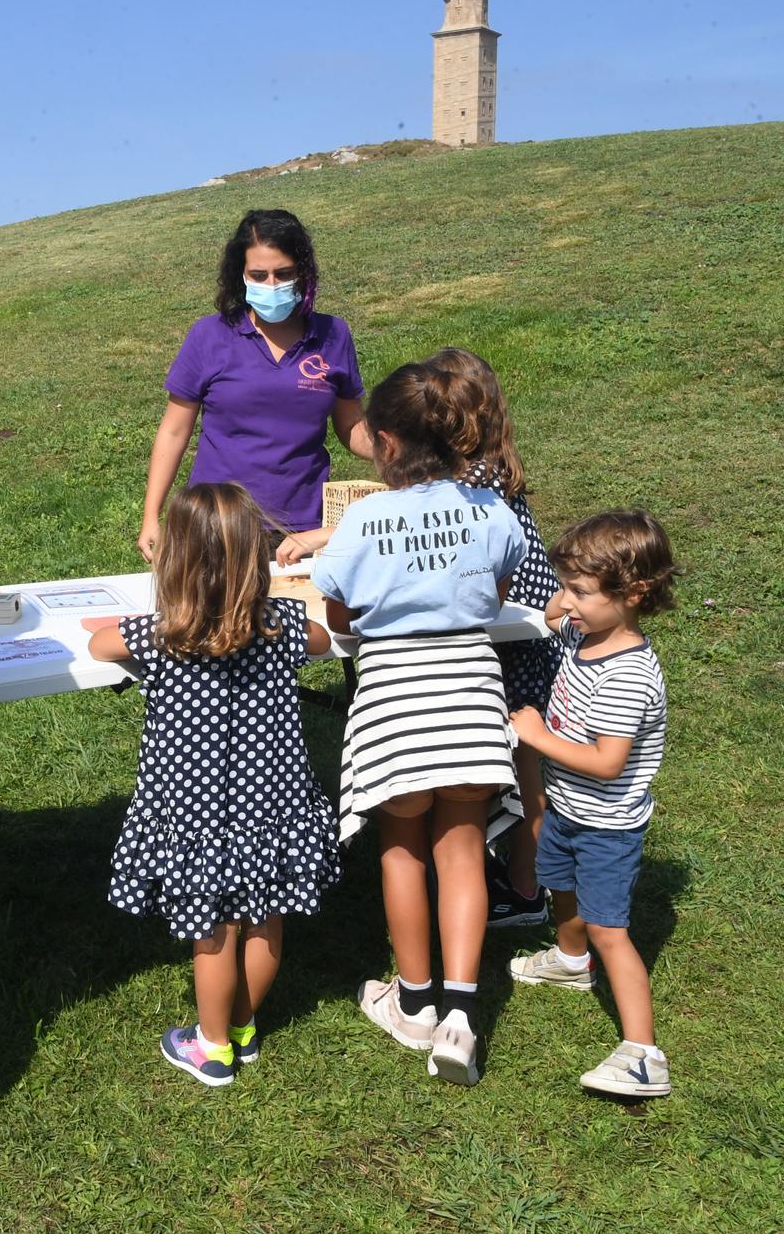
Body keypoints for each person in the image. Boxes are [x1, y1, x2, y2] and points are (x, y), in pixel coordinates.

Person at [309, 360, 528, 1088]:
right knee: (461, 848)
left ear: (388, 444)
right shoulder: (489, 508)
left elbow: (337, 612)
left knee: (402, 848)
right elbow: (496, 594)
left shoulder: (364, 517)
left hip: (395, 704)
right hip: (469, 698)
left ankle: (414, 1001)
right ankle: (463, 1011)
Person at [93, 483, 339, 1086]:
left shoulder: (160, 634)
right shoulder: (282, 625)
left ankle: (211, 1045)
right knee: (267, 916)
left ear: (174, 562)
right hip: (273, 805)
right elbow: (325, 640)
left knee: (213, 931)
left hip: (197, 816)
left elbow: (100, 644)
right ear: (256, 558)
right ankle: (244, 1024)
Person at [507, 511, 677, 1098]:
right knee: (562, 885)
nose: (567, 603)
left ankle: (642, 1054)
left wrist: (536, 736)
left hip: (606, 824)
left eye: (581, 591)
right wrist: (567, 601)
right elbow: (561, 612)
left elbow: (608, 762)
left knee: (610, 929)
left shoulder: (627, 674)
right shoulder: (590, 633)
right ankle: (569, 960)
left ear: (632, 595)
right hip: (571, 808)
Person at [139, 210, 376, 563]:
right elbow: (174, 431)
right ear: (241, 276)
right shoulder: (208, 336)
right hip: (217, 526)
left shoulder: (333, 334)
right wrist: (151, 516)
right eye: (258, 275)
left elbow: (352, 426)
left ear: (303, 273)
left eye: (283, 274)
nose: (271, 285)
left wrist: (408, 455)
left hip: (301, 531)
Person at [426, 347, 564, 928]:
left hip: (516, 640)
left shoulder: (470, 485)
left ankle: (526, 889)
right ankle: (511, 877)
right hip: (522, 635)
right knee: (520, 766)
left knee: (523, 770)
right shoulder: (491, 468)